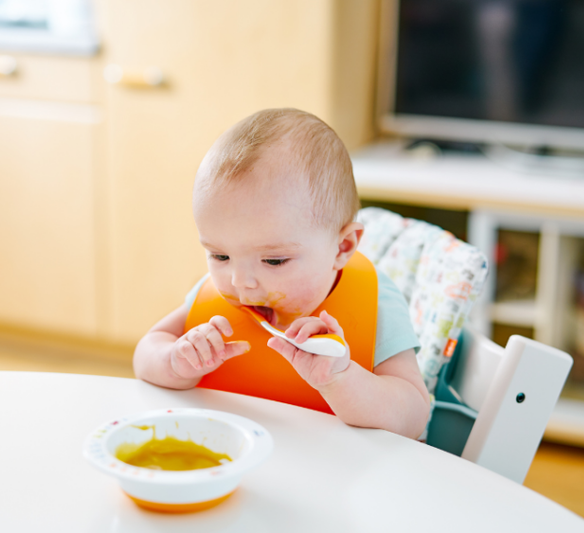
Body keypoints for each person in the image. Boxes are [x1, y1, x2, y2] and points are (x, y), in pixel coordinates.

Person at [133, 108, 430, 438]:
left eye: (273, 261)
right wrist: (176, 362)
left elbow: (414, 416)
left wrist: (341, 378)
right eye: (220, 255)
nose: (239, 281)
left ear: (343, 247)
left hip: (335, 473)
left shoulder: (376, 303)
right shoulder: (215, 297)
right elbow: (146, 353)